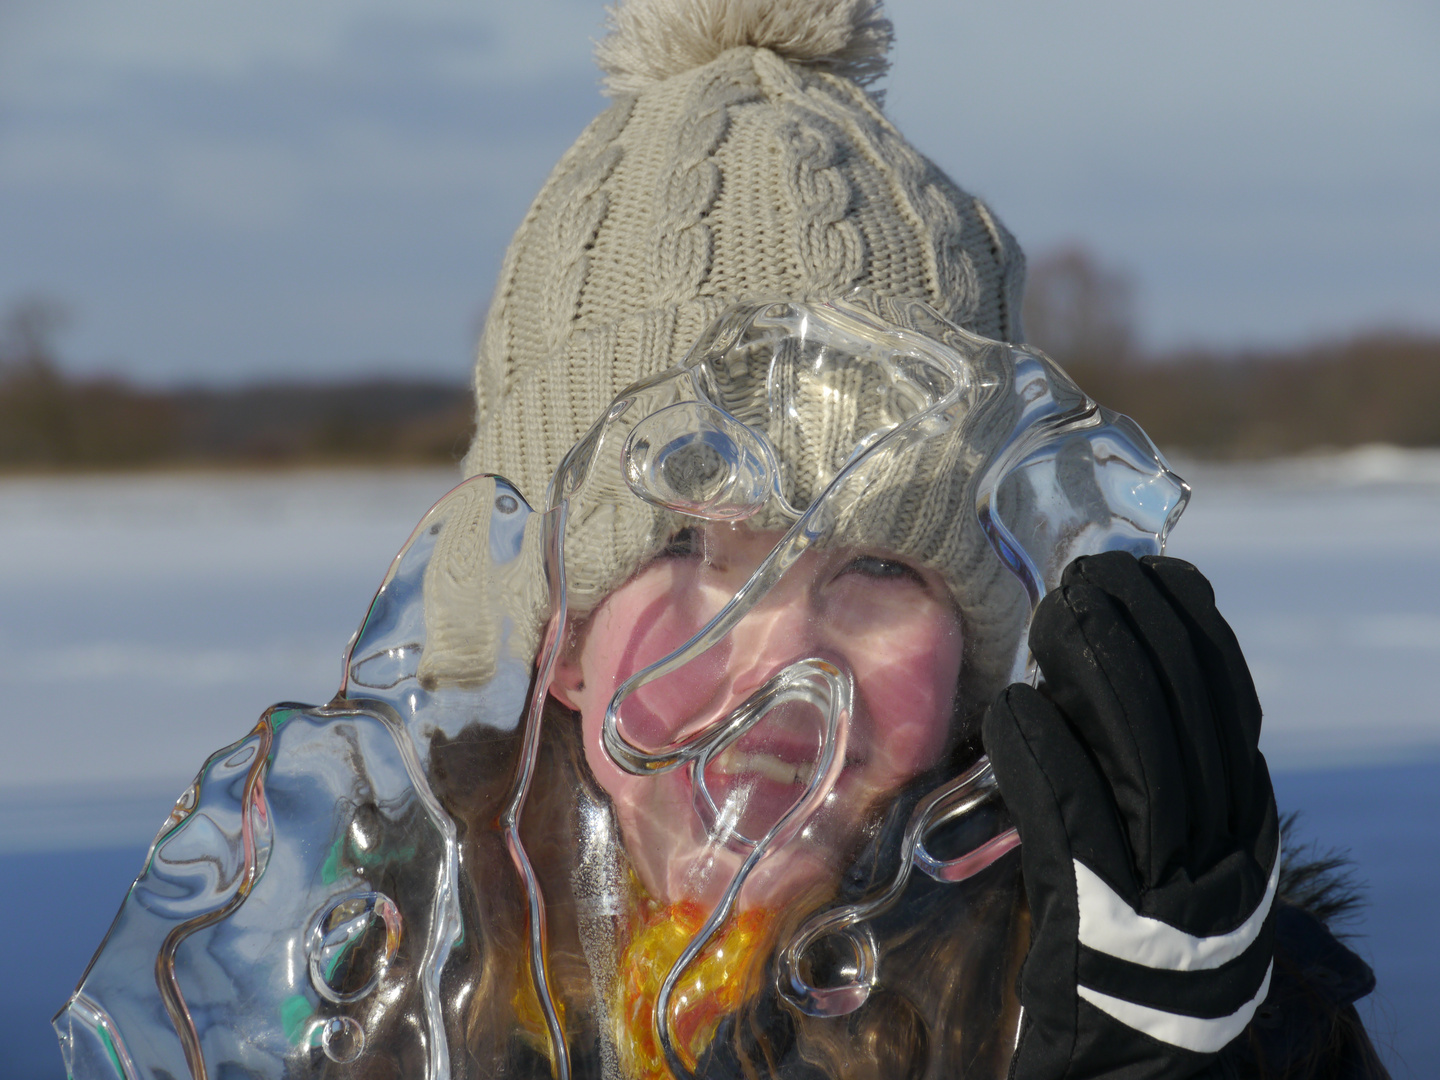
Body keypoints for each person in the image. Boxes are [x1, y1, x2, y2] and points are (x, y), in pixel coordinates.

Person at [56, 2, 1388, 1078]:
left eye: (876, 566)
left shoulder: (1128, 976)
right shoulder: (384, 998)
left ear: (979, 649)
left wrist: (1204, 1051)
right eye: (688, 545)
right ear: (558, 638)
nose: (778, 660)